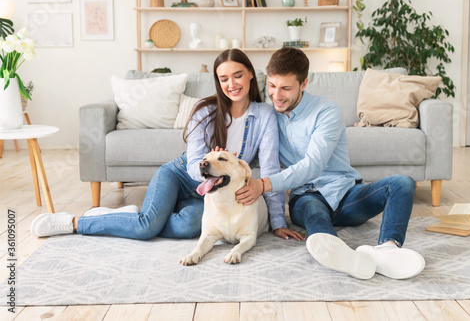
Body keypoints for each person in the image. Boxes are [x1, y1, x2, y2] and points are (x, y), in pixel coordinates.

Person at [31, 49, 304, 242]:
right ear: (218, 83)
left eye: (238, 75)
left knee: (188, 226)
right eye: (223, 79)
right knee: (146, 228)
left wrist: (278, 223)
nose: (231, 84)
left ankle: (140, 214)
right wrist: (213, 171)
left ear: (251, 77)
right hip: (183, 175)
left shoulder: (265, 115)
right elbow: (196, 160)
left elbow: (269, 167)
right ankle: (76, 222)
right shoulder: (205, 111)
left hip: (217, 191)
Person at [236, 47, 425, 280]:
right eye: (272, 86)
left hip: (346, 195)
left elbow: (314, 165)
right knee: (314, 211)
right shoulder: (267, 116)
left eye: (286, 88)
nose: (276, 95)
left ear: (304, 84)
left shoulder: (327, 111)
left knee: (403, 184)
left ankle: (387, 250)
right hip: (305, 198)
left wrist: (263, 184)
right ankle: (339, 253)